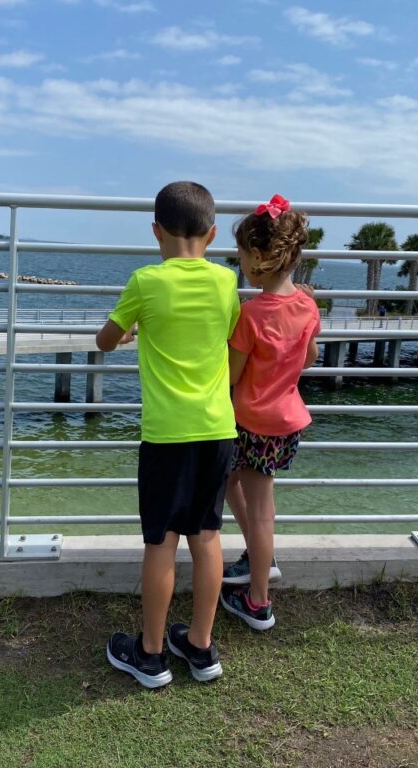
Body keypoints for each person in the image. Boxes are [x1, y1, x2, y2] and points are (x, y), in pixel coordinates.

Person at [98, 181, 238, 688]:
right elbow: (225, 331)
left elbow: (105, 340)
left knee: (161, 542)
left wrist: (132, 330)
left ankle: (151, 655)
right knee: (208, 537)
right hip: (218, 429)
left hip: (166, 436)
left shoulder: (145, 281)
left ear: (156, 231)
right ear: (213, 233)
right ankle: (201, 647)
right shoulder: (225, 283)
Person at [220, 194, 321, 631]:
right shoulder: (307, 305)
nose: (240, 263)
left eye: (242, 255)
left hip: (252, 422)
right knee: (238, 487)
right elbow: (309, 359)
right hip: (286, 422)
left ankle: (258, 600)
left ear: (259, 258)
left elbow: (230, 374)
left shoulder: (250, 315)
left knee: (260, 508)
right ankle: (257, 554)